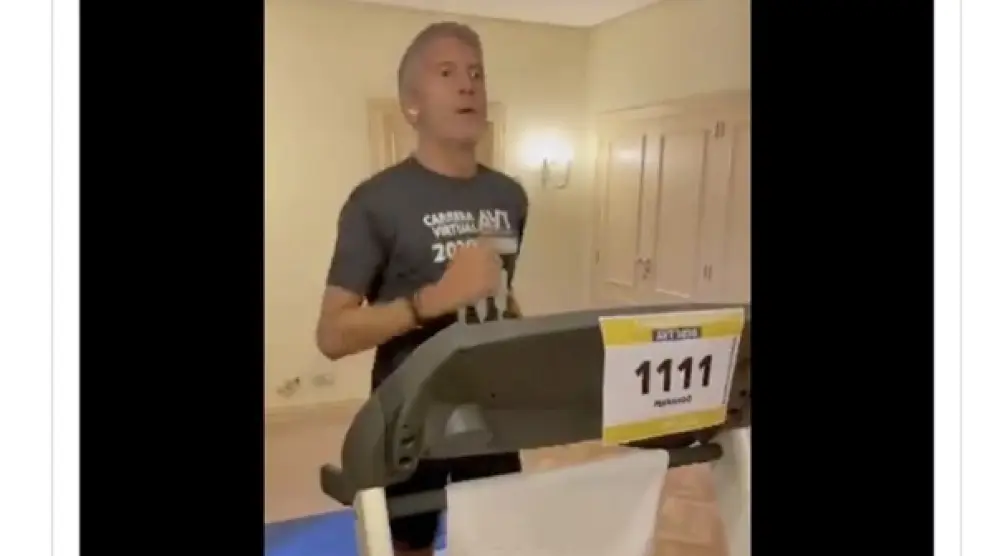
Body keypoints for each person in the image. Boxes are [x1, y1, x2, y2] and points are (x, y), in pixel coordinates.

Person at [314, 21, 528, 556]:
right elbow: (332, 334)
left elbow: (499, 296)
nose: (468, 84)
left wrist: (525, 341)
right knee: (409, 545)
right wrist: (431, 300)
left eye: (476, 73)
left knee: (499, 541)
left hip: (491, 415)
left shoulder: (510, 196)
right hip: (410, 417)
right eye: (447, 72)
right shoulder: (375, 202)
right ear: (412, 104)